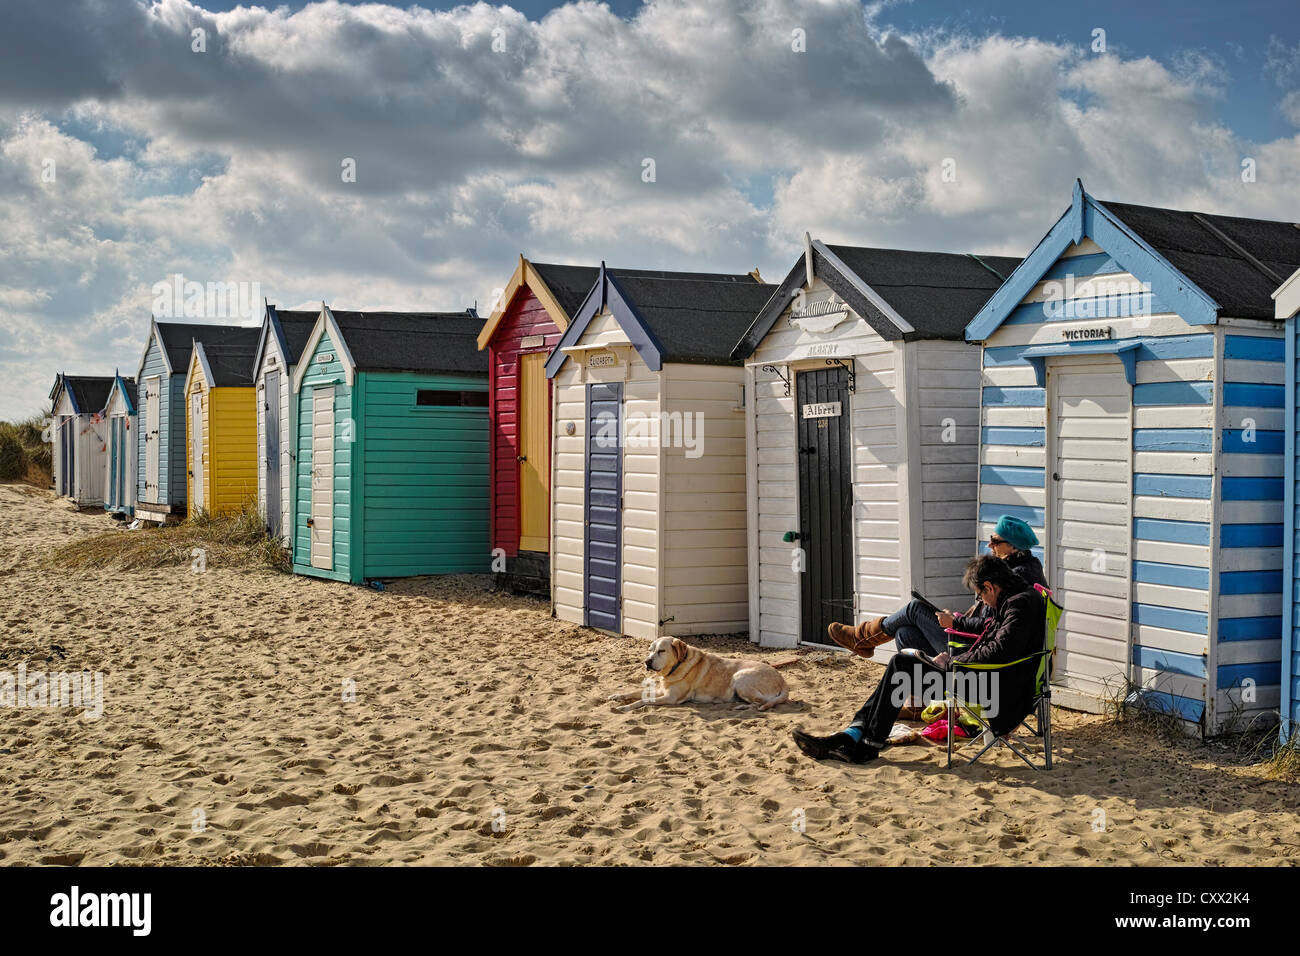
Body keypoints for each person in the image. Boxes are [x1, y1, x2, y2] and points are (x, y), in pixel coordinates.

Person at [793, 553, 1045, 764]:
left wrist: (953, 662)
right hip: (991, 678)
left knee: (902, 667)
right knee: (901, 663)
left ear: (990, 586)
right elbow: (993, 635)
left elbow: (1000, 651)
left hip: (995, 689)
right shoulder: (1015, 600)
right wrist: (954, 646)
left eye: (980, 595)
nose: (982, 601)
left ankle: (862, 740)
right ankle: (857, 735)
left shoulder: (1019, 605)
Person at [826, 515, 1045, 658]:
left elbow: (992, 625)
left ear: (1013, 547)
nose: (990, 545)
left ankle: (862, 638)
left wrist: (956, 621)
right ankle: (917, 702)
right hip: (971, 638)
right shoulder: (1025, 568)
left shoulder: (1013, 580)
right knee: (905, 633)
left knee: (914, 609)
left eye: (995, 541)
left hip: (972, 647)